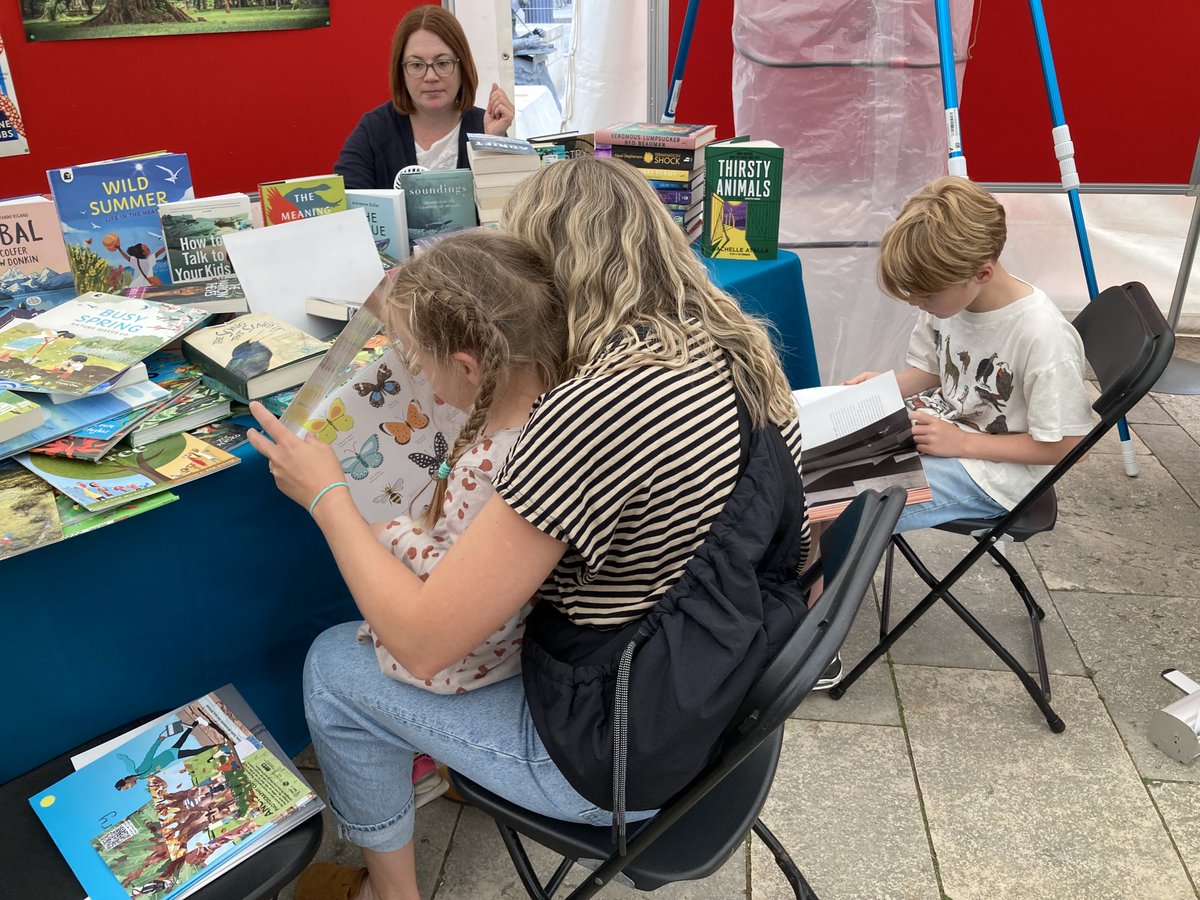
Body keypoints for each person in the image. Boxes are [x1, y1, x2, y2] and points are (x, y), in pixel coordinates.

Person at [247, 156, 809, 900]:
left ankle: (394, 893)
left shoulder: (598, 403)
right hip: (713, 702)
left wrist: (327, 498)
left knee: (332, 665)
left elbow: (422, 643)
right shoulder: (739, 345)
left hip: (615, 749)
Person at [846, 176, 1096, 535]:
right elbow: (934, 373)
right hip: (945, 431)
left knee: (837, 506)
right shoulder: (951, 296)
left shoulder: (1042, 336)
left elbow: (1074, 446)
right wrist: (882, 388)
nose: (917, 303)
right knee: (809, 475)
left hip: (998, 475)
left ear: (982, 273)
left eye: (926, 295)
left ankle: (817, 590)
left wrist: (963, 442)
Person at [334, 5, 516, 190]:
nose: (430, 77)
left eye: (443, 63)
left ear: (463, 67)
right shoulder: (374, 130)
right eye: (416, 65)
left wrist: (492, 144)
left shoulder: (485, 129)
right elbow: (345, 203)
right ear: (401, 71)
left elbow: (506, 209)